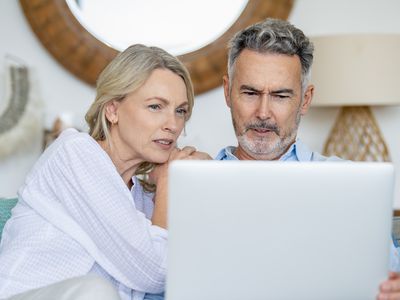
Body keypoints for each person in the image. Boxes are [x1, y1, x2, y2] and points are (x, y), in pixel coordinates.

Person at [0, 44, 209, 300]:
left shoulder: (143, 198)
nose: (173, 125)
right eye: (156, 106)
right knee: (95, 291)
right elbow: (156, 271)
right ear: (112, 110)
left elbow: (180, 273)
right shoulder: (74, 154)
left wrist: (200, 178)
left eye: (180, 111)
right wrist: (168, 182)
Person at [216, 18, 400, 299]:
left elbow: (388, 278)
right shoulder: (183, 185)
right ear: (228, 92)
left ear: (305, 99)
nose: (263, 112)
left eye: (280, 95)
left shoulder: (349, 184)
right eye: (250, 93)